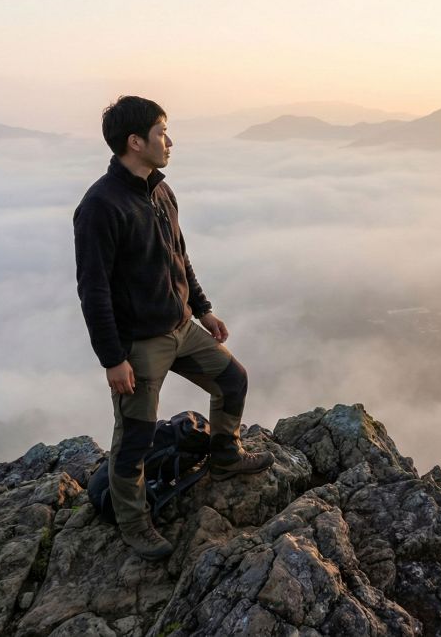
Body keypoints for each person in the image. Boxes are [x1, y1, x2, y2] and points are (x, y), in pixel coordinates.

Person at [73, 95, 274, 561]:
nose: (170, 141)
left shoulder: (161, 191)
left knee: (233, 380)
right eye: (162, 131)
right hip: (139, 345)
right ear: (135, 141)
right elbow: (94, 290)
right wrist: (112, 359)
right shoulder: (100, 206)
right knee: (135, 437)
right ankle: (133, 523)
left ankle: (225, 456)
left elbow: (179, 257)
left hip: (182, 327)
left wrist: (202, 309)